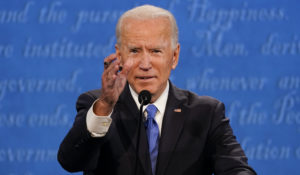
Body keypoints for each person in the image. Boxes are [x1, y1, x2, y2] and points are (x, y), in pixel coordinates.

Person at [58, 4, 256, 175]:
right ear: (119, 55)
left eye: (155, 51)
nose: (145, 64)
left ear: (174, 56)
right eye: (135, 50)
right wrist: (105, 105)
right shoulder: (98, 106)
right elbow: (70, 162)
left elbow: (236, 168)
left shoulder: (205, 113)